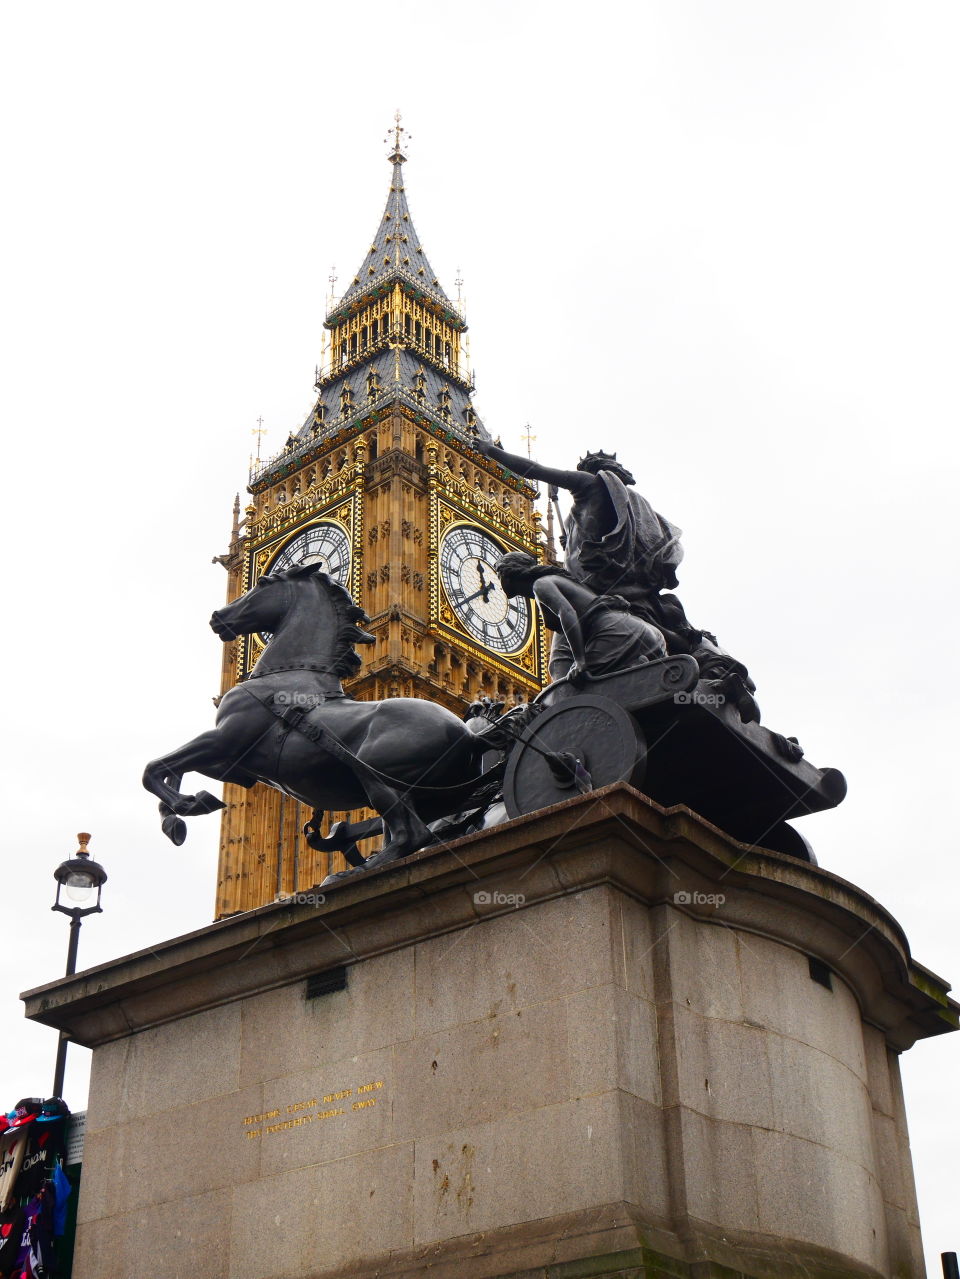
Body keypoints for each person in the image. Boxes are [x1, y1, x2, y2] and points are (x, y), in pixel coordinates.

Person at [477, 439, 759, 720]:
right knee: (668, 632)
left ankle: (567, 714)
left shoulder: (588, 485)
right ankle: (716, 677)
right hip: (626, 589)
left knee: (560, 664)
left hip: (596, 593)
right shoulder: (623, 505)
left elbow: (534, 469)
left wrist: (492, 453)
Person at [494, 551, 667, 683]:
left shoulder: (541, 584)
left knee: (577, 687)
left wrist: (580, 660)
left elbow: (567, 613)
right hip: (641, 631)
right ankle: (639, 668)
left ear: (508, 574)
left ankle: (636, 669)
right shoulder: (560, 580)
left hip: (616, 633)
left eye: (498, 574)